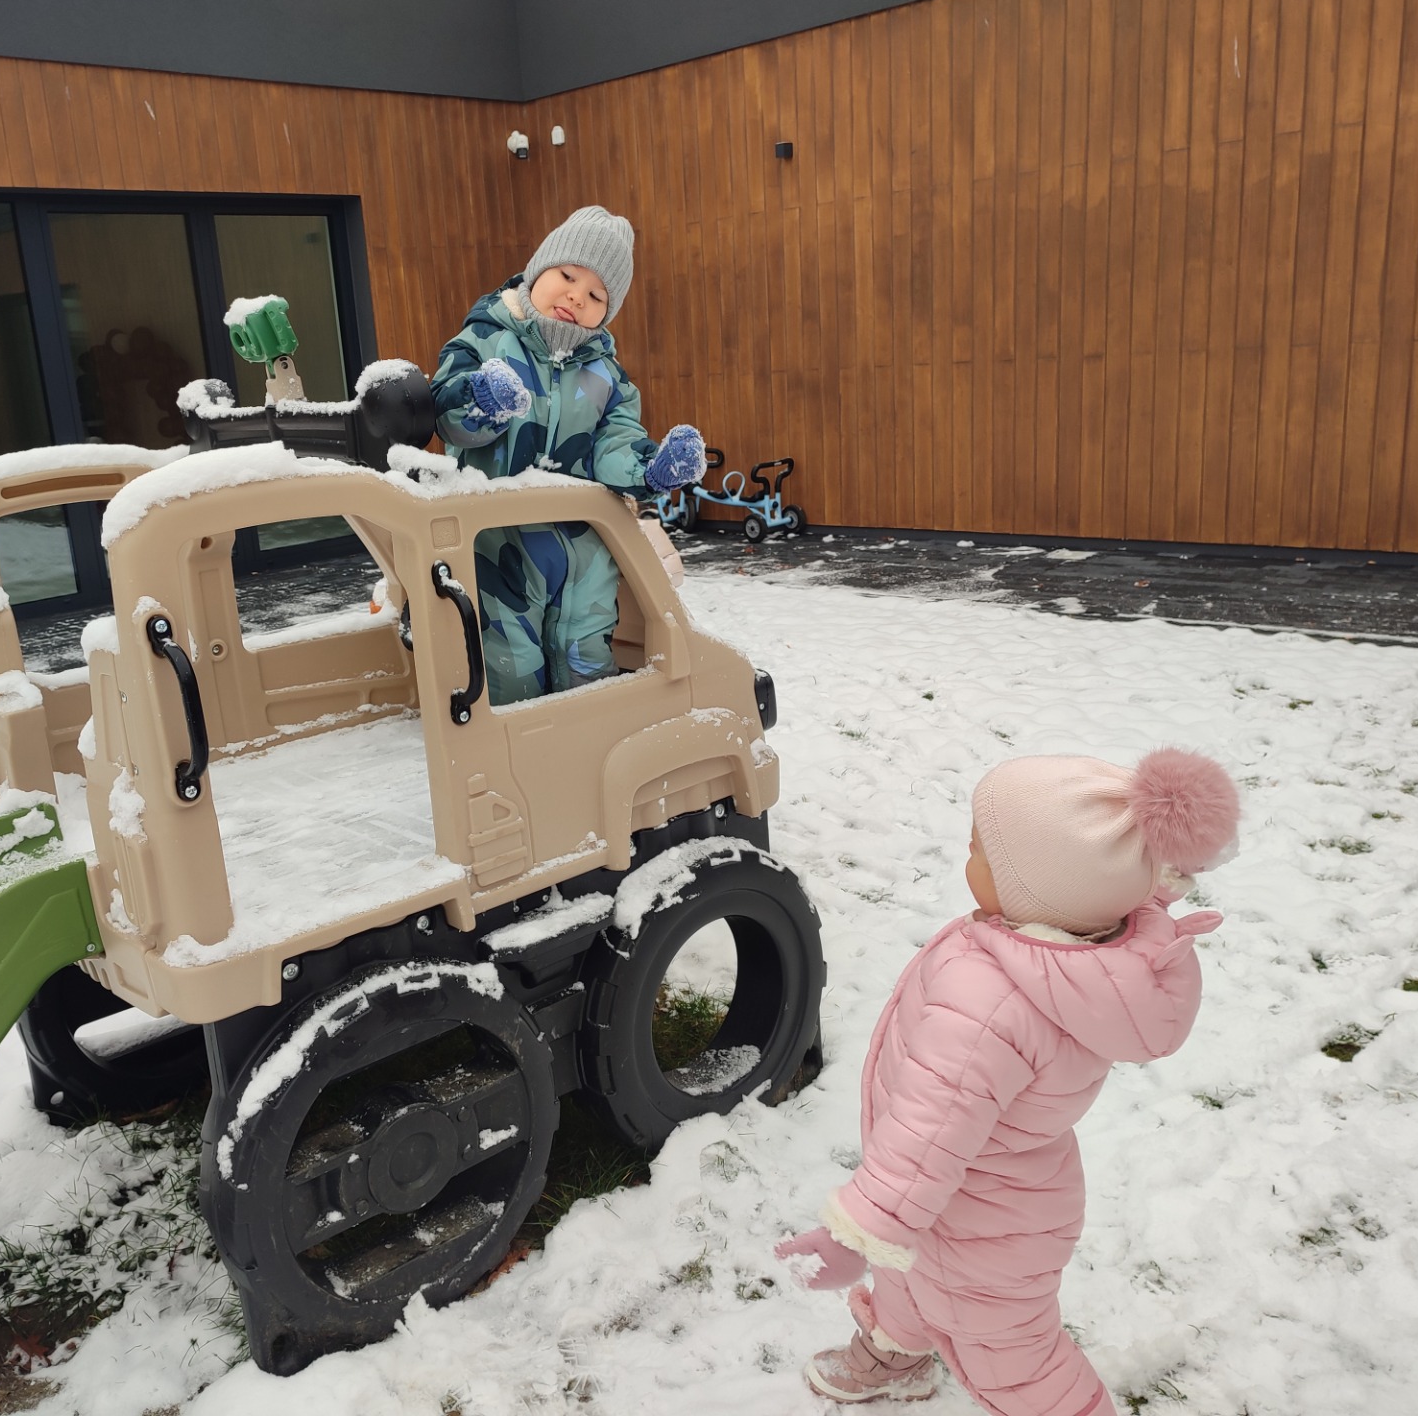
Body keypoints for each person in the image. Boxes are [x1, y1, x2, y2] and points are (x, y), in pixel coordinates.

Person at [776, 749, 1241, 1413]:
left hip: (980, 1230)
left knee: (1016, 1367)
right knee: (906, 1280)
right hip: (974, 1198)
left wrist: (857, 1230)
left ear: (1039, 888)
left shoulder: (990, 1001)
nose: (968, 858)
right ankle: (895, 1358)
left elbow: (929, 1136)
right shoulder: (1063, 944)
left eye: (981, 852)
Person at [430, 205, 706, 706]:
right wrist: (482, 402)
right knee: (511, 666)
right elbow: (448, 414)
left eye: (597, 295)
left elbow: (614, 442)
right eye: (568, 275)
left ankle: (593, 741)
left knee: (588, 659)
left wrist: (651, 468)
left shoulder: (606, 375)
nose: (577, 296)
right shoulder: (484, 341)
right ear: (537, 271)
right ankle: (519, 745)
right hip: (499, 545)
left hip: (584, 549)